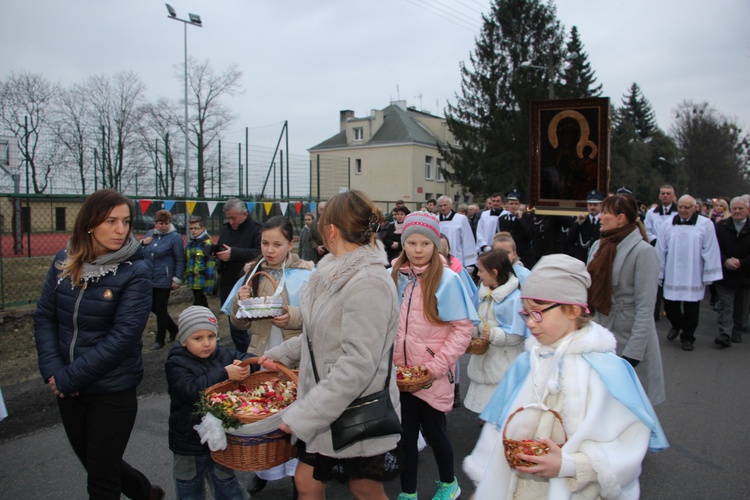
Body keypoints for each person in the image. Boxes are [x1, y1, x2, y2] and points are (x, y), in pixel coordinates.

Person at [463, 254, 669, 499]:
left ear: (571, 309)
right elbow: (498, 429)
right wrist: (485, 485)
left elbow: (628, 444)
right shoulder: (528, 363)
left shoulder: (606, 372)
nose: (529, 323)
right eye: (525, 314)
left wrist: (570, 466)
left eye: (537, 313)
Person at [258, 190, 403, 500]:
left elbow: (358, 364)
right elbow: (319, 334)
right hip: (328, 405)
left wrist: (304, 414)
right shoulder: (334, 271)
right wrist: (276, 355)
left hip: (353, 409)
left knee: (364, 488)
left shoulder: (369, 283)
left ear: (332, 230)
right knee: (307, 483)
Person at [34, 189, 165, 499]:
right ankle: (146, 493)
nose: (120, 230)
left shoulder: (136, 271)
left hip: (112, 390)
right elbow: (44, 317)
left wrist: (69, 378)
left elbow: (123, 338)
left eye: (126, 222)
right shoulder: (63, 261)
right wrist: (54, 372)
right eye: (111, 221)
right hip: (67, 387)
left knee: (101, 480)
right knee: (98, 463)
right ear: (90, 223)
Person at [392, 211, 476, 500]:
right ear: (403, 244)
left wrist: (435, 366)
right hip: (401, 376)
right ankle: (408, 492)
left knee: (435, 433)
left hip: (433, 376)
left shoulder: (448, 280)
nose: (417, 250)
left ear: (435, 245)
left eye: (424, 244)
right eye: (411, 243)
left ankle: (448, 483)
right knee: (405, 437)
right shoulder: (395, 276)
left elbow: (463, 329)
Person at [165, 306, 255, 499]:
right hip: (188, 441)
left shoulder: (221, 354)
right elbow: (190, 391)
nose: (206, 344)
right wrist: (224, 373)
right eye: (198, 338)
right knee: (189, 485)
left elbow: (245, 357)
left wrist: (247, 367)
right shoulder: (176, 362)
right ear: (183, 340)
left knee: (226, 482)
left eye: (211, 337)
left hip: (219, 438)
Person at [587, 194, 665, 405]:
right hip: (600, 330)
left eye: (605, 212)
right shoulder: (598, 246)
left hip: (628, 333)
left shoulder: (644, 252)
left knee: (631, 406)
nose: (600, 217)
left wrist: (633, 353)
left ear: (620, 218)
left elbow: (645, 307)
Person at [464, 249, 528, 414]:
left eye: (481, 270)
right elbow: (477, 316)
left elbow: (518, 333)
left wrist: (494, 335)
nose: (478, 274)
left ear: (494, 272)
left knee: (504, 408)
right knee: (487, 409)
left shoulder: (514, 299)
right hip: (486, 359)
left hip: (504, 361)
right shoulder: (484, 293)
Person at [657, 195, 723, 351]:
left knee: (691, 308)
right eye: (680, 206)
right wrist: (659, 272)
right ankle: (677, 324)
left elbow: (711, 249)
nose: (682, 210)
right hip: (672, 272)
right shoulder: (667, 224)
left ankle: (688, 337)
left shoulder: (705, 224)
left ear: (695, 208)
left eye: (687, 207)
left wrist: (709, 274)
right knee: (670, 306)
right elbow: (660, 249)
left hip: (693, 273)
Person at [215, 199, 262, 352]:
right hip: (228, 282)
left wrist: (233, 253)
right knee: (234, 324)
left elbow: (259, 253)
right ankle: (243, 355)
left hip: (247, 283)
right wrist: (218, 256)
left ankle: (250, 358)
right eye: (228, 218)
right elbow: (222, 247)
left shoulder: (257, 230)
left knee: (251, 327)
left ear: (245, 214)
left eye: (234, 218)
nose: (231, 221)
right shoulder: (226, 229)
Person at [142, 210, 185, 350]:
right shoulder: (150, 234)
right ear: (156, 223)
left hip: (164, 278)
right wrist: (143, 243)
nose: (164, 226)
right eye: (161, 223)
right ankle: (173, 328)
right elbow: (142, 253)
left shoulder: (175, 237)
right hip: (149, 276)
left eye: (166, 223)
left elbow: (179, 259)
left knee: (161, 308)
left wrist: (177, 278)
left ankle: (159, 340)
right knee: (152, 306)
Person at [713, 196, 750, 347]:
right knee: (726, 305)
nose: (737, 211)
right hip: (725, 273)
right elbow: (714, 248)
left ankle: (737, 330)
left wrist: (741, 262)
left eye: (741, 208)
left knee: (741, 307)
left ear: (748, 210)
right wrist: (725, 261)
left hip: (746, 275)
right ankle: (725, 334)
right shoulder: (722, 226)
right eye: (734, 208)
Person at [436, 195, 477, 270]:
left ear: (451, 206)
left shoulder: (461, 219)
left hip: (458, 256)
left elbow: (468, 240)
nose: (443, 208)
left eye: (445, 205)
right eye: (440, 206)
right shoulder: (435, 220)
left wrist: (469, 263)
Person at [498, 190, 536, 269]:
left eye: (516, 204)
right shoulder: (502, 219)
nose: (513, 206)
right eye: (511, 204)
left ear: (519, 204)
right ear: (507, 205)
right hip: (507, 256)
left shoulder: (527, 217)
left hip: (523, 256)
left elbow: (530, 234)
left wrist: (520, 219)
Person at [184, 216, 216, 308]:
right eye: (191, 228)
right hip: (193, 281)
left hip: (202, 282)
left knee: (198, 304)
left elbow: (210, 266)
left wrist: (208, 286)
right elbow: (187, 262)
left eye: (196, 228)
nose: (193, 231)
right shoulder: (190, 244)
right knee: (202, 304)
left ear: (202, 229)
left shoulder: (207, 244)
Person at [566, 190, 603, 263]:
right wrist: (578, 223)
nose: (592, 207)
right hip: (582, 260)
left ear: (601, 205)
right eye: (590, 205)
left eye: (595, 205)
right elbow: (570, 239)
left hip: (598, 259)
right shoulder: (583, 220)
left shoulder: (603, 221)